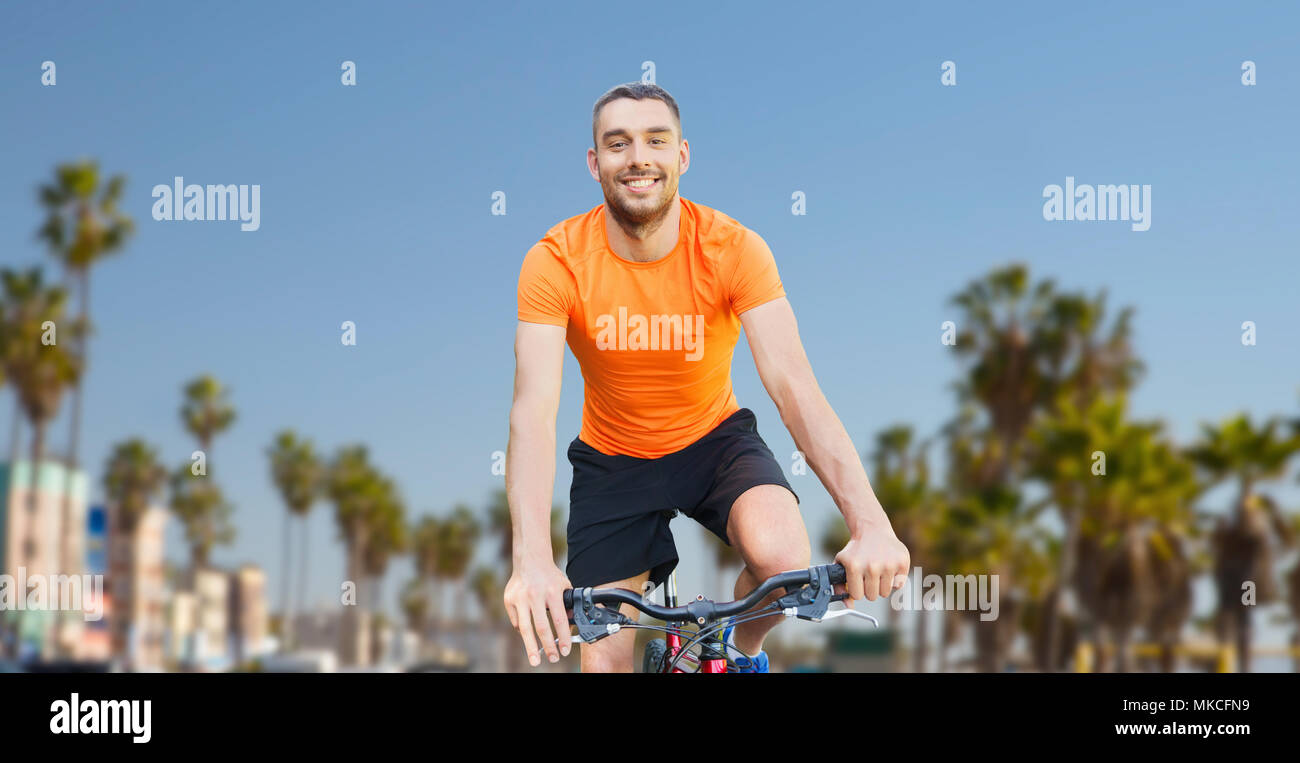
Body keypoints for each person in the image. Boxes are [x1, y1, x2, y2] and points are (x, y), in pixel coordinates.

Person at [504, 82, 910, 673]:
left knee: (784, 562)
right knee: (604, 664)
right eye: (618, 144)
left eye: (655, 141)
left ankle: (737, 651)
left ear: (682, 156)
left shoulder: (735, 249)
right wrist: (532, 560)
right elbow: (532, 413)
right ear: (595, 164)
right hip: (612, 460)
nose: (638, 157)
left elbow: (795, 388)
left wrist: (871, 524)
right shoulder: (554, 260)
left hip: (714, 441)